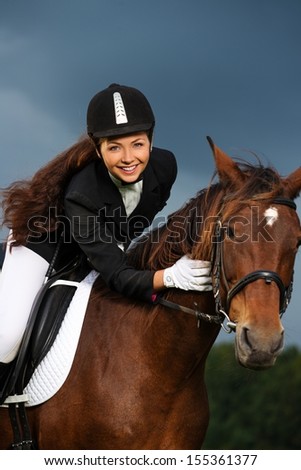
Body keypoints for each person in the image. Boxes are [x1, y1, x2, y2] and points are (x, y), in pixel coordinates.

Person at [0, 83, 211, 382]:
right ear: (97, 150)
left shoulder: (166, 167)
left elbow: (126, 231)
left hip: (98, 246)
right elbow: (116, 274)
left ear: (151, 140)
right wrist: (170, 276)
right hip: (42, 247)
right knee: (6, 340)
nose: (128, 158)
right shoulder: (81, 194)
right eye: (114, 147)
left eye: (137, 144)